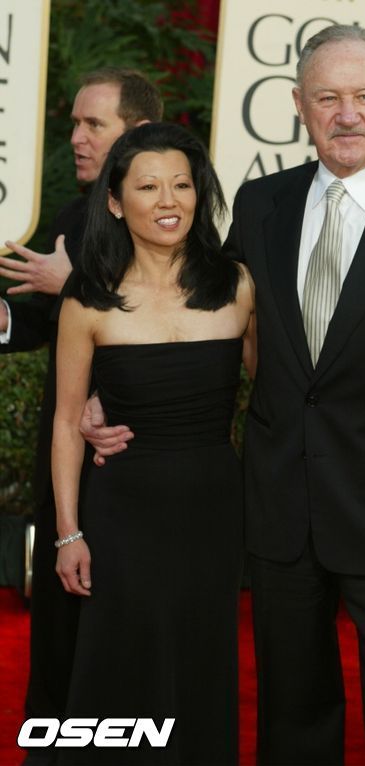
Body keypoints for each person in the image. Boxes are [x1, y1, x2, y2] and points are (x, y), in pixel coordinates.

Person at [82, 26, 365, 765]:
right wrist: (105, 388)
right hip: (280, 509)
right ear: (299, 106)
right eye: (328, 98)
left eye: (364, 96)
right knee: (291, 714)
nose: (348, 114)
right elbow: (198, 308)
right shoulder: (261, 204)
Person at [53, 121, 255, 766]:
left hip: (213, 510)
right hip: (122, 511)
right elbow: (66, 421)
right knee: (121, 660)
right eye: (148, 187)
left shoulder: (237, 286)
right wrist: (67, 533)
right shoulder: (89, 300)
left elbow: (284, 395)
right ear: (115, 202)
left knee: (202, 659)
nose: (169, 201)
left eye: (182, 185)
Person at [0, 68, 162, 747]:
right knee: (58, 636)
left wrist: (74, 286)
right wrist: (5, 319)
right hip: (62, 462)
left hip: (134, 462)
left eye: (94, 123)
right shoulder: (72, 216)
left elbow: (177, 328)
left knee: (120, 638)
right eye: (74, 123)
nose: (76, 137)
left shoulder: (172, 224)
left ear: (139, 132)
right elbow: (39, 322)